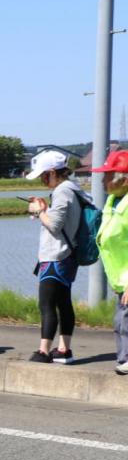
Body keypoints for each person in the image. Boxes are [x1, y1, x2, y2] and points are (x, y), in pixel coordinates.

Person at [24, 150, 83, 363]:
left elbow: (55, 225)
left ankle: (43, 351)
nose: (41, 179)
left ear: (52, 172)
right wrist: (45, 208)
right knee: (63, 302)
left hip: (55, 256)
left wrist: (39, 211)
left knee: (46, 304)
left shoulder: (62, 191)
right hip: (67, 254)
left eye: (43, 175)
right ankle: (64, 350)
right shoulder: (72, 188)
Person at [92, 150, 128, 375]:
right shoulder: (113, 201)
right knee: (121, 320)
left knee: (124, 320)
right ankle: (124, 358)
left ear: (124, 179)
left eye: (107, 176)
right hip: (120, 278)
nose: (102, 181)